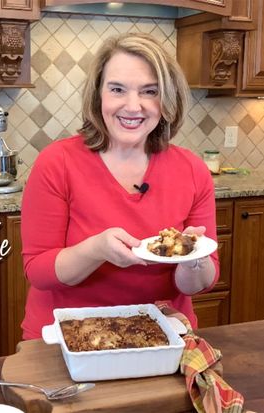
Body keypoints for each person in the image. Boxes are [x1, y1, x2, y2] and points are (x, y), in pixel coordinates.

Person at [20, 32, 219, 340]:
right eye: (117, 89)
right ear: (99, 94)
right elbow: (39, 271)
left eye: (149, 91)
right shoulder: (56, 163)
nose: (133, 106)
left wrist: (195, 259)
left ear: (167, 101)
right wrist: (97, 249)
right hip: (65, 337)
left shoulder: (192, 170)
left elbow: (198, 284)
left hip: (162, 335)